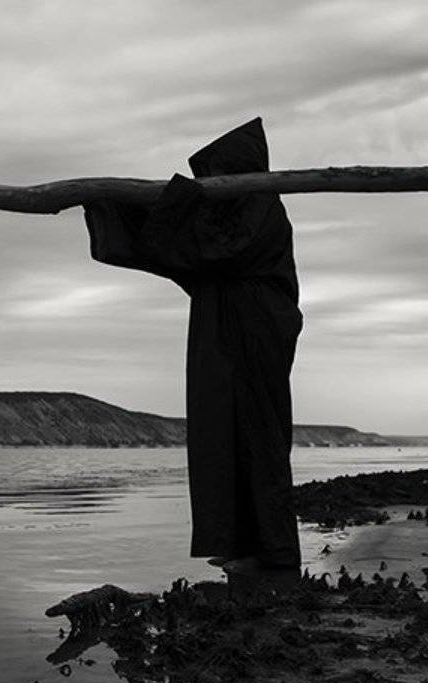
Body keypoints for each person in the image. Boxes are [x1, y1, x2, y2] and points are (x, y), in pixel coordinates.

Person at [81, 118, 303, 574]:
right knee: (221, 433)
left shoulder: (262, 206)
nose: (208, 185)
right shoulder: (236, 211)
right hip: (224, 327)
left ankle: (275, 555)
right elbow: (187, 248)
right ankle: (242, 543)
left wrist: (173, 202)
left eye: (215, 176)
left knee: (259, 436)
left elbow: (212, 246)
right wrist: (113, 201)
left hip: (255, 329)